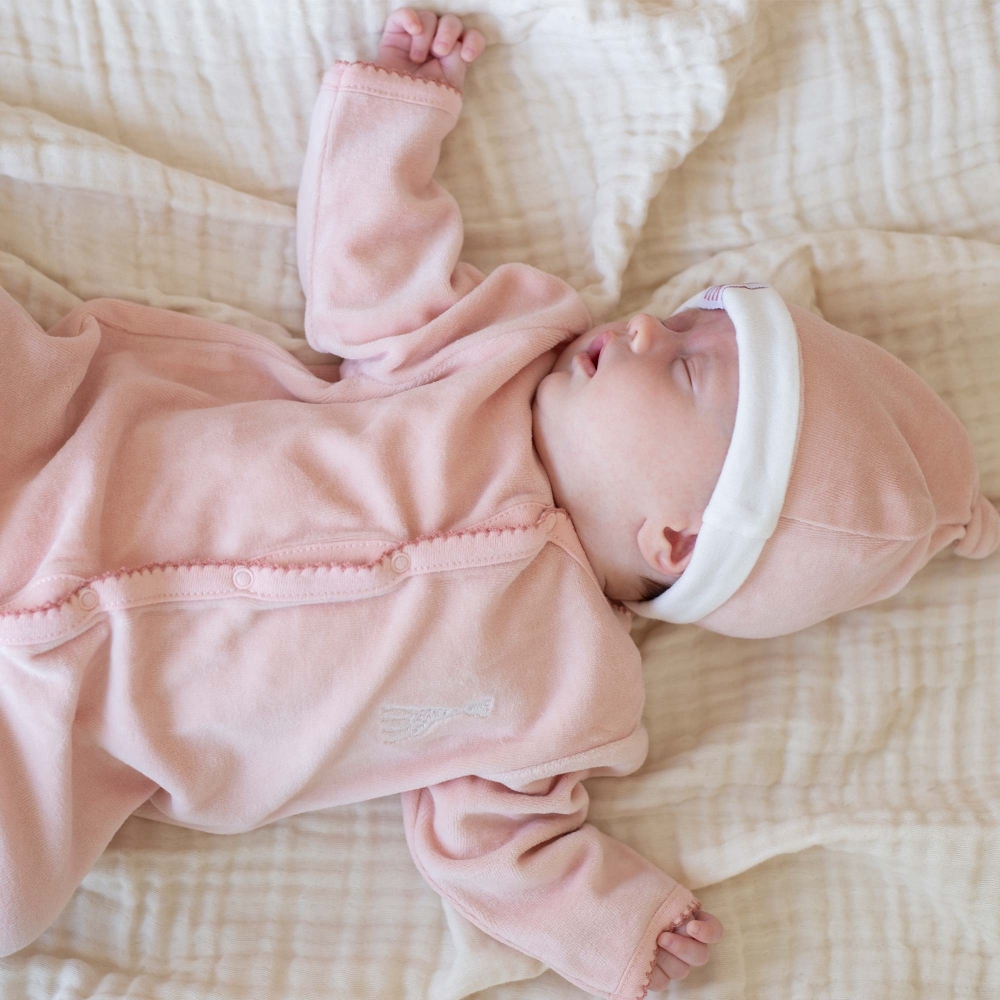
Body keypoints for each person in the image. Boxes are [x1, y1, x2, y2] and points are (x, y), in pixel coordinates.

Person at [0, 8, 995, 998]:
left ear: (680, 536)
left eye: (690, 370)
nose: (648, 328)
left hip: (70, 738)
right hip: (58, 455)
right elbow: (368, 274)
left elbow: (494, 838)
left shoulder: (572, 694)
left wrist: (610, 921)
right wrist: (402, 105)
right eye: (688, 321)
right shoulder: (492, 354)